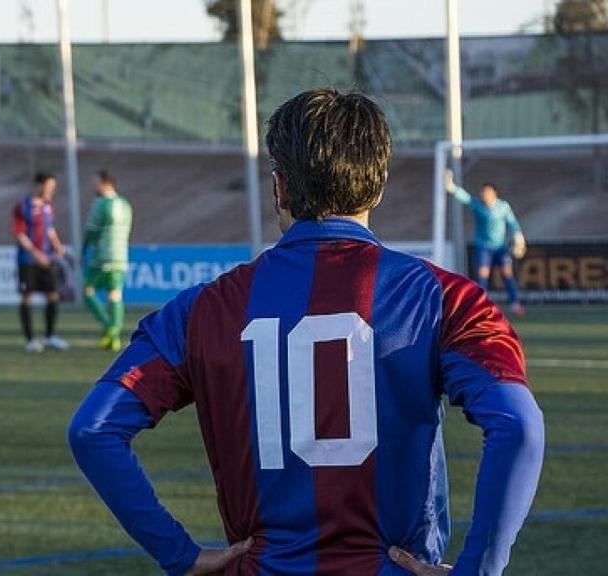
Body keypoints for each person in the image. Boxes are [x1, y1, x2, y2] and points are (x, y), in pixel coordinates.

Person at [69, 89, 544, 576]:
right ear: (378, 185)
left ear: (280, 187)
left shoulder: (201, 309)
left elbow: (93, 429)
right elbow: (518, 427)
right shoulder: (445, 298)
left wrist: (179, 554)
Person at [445, 171, 526, 315]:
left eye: (487, 192)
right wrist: (451, 187)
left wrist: (518, 236)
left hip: (500, 246)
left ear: (494, 193)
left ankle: (515, 303)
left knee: (507, 273)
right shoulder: (478, 205)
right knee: (483, 274)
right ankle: (481, 305)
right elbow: (465, 198)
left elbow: (512, 222)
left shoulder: (503, 207)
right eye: (483, 192)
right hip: (483, 246)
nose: (484, 195)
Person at [12, 171, 69, 352]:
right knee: (26, 296)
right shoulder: (23, 207)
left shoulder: (47, 206)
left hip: (46, 258)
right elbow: (20, 234)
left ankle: (50, 336)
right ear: (37, 185)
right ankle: (29, 340)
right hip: (28, 259)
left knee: (52, 295)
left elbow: (49, 229)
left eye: (53, 187)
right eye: (48, 187)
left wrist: (57, 245)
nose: (51, 191)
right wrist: (36, 254)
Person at [82, 170, 133, 352]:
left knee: (87, 291)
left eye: (95, 182)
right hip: (121, 257)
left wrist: (84, 249)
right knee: (115, 294)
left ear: (105, 183)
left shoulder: (100, 204)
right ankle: (115, 336)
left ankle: (109, 326)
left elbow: (92, 230)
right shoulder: (125, 205)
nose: (93, 186)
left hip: (102, 256)